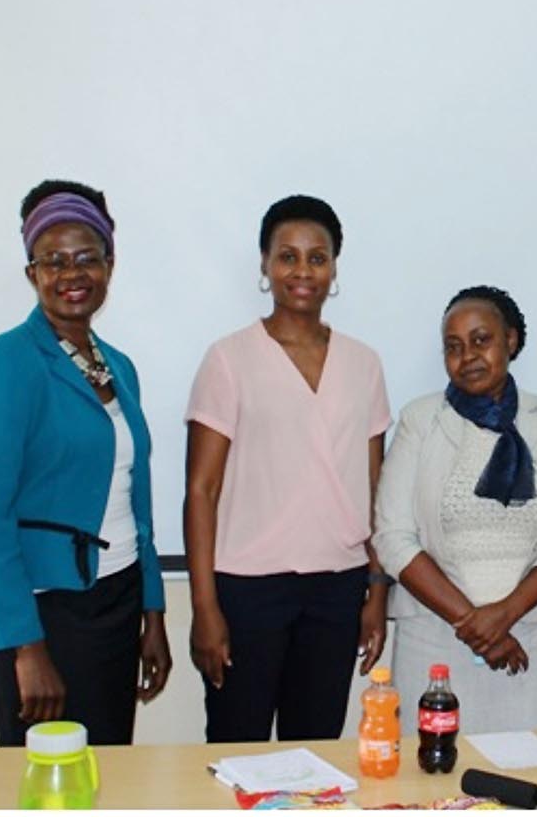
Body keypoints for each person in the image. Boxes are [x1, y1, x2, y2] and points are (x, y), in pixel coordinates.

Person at [0, 179, 171, 746]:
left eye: (86, 258)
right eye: (53, 261)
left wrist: (152, 611)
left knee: (107, 766)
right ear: (32, 274)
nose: (72, 274)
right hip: (38, 608)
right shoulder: (1, 364)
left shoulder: (117, 366)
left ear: (109, 266)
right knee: (46, 778)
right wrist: (27, 647)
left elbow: (133, 497)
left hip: (114, 598)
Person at [183, 194, 392, 742]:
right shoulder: (228, 359)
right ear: (264, 264)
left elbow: (377, 491)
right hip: (246, 591)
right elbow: (201, 491)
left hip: (337, 589)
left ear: (334, 268)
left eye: (317, 258)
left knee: (318, 752)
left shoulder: (364, 364)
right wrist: (204, 606)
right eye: (288, 256)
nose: (303, 271)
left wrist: (377, 592)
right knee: (238, 748)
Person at [372, 285, 537, 734]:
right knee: (430, 784)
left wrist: (503, 615)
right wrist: (473, 623)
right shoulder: (420, 420)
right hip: (433, 637)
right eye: (452, 347)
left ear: (510, 341)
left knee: (536, 774)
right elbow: (392, 537)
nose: (467, 356)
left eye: (481, 340)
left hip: (536, 637)